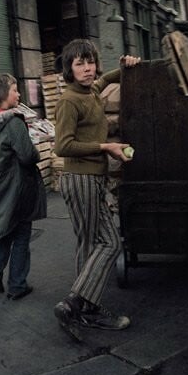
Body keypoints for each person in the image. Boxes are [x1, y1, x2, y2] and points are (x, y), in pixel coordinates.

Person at [53, 39, 141, 336]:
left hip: (92, 178)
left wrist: (126, 66)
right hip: (81, 179)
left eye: (90, 61)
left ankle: (83, 310)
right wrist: (105, 146)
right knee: (107, 243)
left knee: (90, 244)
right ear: (69, 69)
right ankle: (75, 304)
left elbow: (106, 79)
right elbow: (62, 146)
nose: (88, 68)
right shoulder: (69, 100)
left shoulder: (90, 90)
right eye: (80, 63)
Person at [0, 74, 47, 300]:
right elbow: (27, 155)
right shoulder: (13, 122)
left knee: (4, 231)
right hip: (17, 189)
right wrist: (37, 152)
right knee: (22, 235)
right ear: (3, 95)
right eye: (15, 90)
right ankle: (17, 285)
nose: (19, 94)